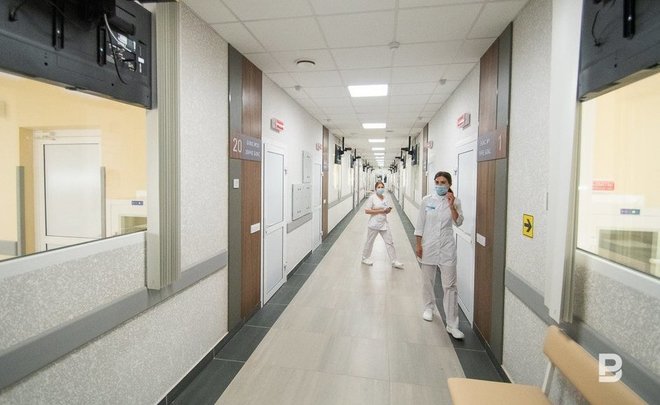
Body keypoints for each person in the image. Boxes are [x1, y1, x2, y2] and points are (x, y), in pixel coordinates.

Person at [414, 171, 465, 339]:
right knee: (427, 280)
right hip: (428, 246)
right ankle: (428, 307)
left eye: (443, 182)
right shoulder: (427, 200)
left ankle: (452, 324)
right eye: (437, 182)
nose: (439, 185)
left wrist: (451, 206)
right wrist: (418, 244)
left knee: (450, 286)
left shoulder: (455, 201)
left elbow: (459, 222)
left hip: (446, 248)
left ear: (449, 184)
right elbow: (420, 224)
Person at [362, 181, 404, 269]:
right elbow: (367, 211)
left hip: (384, 223)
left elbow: (386, 210)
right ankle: (365, 258)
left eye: (382, 187)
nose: (380, 189)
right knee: (370, 241)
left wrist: (387, 210)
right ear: (376, 188)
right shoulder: (372, 198)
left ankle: (394, 261)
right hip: (374, 224)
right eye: (379, 187)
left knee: (390, 242)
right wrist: (381, 210)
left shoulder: (385, 198)